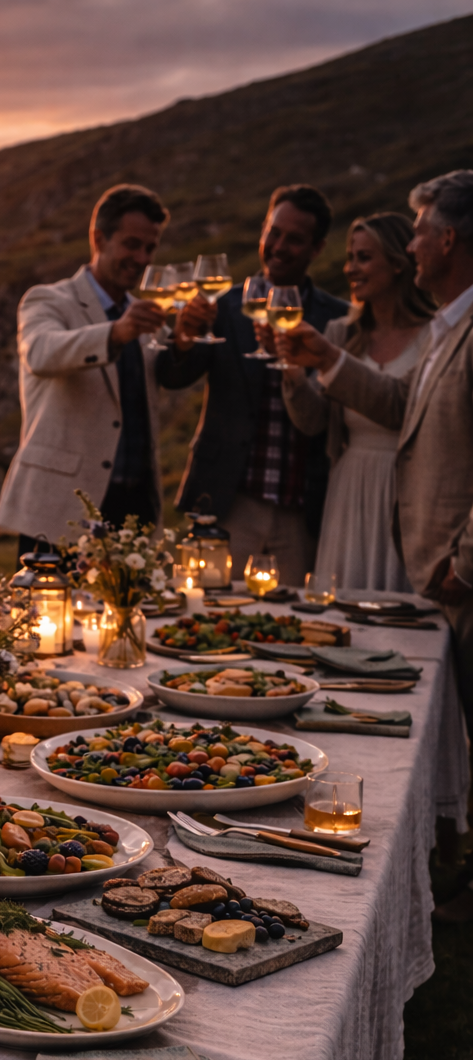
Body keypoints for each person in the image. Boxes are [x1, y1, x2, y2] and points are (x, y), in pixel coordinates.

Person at [276, 170, 473, 922]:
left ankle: (440, 842)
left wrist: (462, 560)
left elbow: (410, 419)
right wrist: (310, 364)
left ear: (438, 243)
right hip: (368, 513)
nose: (352, 269)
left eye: (418, 231)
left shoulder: (449, 328)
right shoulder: (392, 331)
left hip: (430, 532)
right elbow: (354, 412)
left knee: (435, 692)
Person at [155, 185, 350, 584]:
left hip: (302, 510)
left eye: (294, 239)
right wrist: (182, 337)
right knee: (208, 617)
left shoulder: (338, 319)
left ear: (317, 249)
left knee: (290, 628)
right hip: (229, 501)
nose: (278, 246)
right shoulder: (224, 306)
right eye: (272, 233)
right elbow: (173, 376)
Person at [0, 184, 168, 553]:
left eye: (150, 248)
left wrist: (185, 343)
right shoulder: (47, 300)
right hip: (61, 514)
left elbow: (166, 377)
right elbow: (40, 353)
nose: (142, 258)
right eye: (132, 244)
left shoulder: (146, 314)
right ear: (99, 239)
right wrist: (115, 332)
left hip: (135, 517)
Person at [281, 213, 434, 592]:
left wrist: (327, 359)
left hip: (408, 489)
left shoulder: (435, 335)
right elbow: (314, 423)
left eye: (364, 258)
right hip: (349, 488)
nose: (351, 268)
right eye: (350, 258)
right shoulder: (342, 332)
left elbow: (403, 409)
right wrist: (293, 372)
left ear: (399, 263)